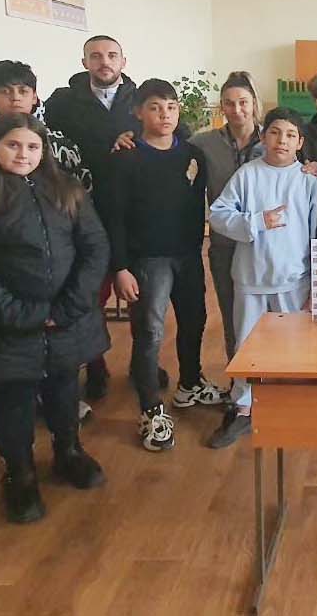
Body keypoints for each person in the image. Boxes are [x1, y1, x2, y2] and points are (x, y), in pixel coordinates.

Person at [0, 114, 110, 523]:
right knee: (13, 398)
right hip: (7, 324)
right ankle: (19, 473)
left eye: (33, 147)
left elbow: (95, 248)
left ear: (44, 151)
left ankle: (68, 451)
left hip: (66, 318)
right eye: (13, 145)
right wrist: (22, 313)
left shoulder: (66, 190)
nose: (24, 154)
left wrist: (68, 306)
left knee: (65, 388)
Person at [96, 79, 227, 453]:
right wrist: (120, 267)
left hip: (188, 254)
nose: (164, 115)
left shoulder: (192, 154)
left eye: (171, 107)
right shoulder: (125, 157)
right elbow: (114, 217)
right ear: (138, 112)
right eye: (155, 107)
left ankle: (190, 383)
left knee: (194, 320)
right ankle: (151, 408)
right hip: (147, 260)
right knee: (150, 332)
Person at [206, 108, 317, 448]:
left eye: (290, 135)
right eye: (274, 132)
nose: (281, 140)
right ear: (263, 137)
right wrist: (256, 221)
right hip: (251, 277)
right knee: (245, 345)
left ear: (300, 142)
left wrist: (315, 282)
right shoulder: (247, 175)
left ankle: (288, 404)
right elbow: (218, 215)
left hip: (293, 278)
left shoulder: (308, 180)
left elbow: (316, 231)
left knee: (292, 347)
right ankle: (243, 408)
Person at [191, 71, 263, 366]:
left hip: (264, 244)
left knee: (269, 317)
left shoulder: (273, 138)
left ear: (254, 103)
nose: (237, 110)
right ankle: (239, 381)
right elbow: (167, 145)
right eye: (229, 103)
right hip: (224, 244)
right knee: (233, 316)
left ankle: (271, 381)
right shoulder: (204, 143)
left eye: (243, 102)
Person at [0, 59, 91, 190]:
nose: (15, 98)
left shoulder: (61, 145)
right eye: (5, 91)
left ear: (34, 97)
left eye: (23, 91)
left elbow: (81, 195)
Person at [42, 34, 142, 175]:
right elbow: (41, 135)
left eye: (112, 56)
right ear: (85, 63)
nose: (105, 62)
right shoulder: (61, 100)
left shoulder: (142, 99)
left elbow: (167, 134)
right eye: (96, 56)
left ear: (123, 62)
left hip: (134, 180)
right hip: (79, 183)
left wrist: (137, 135)